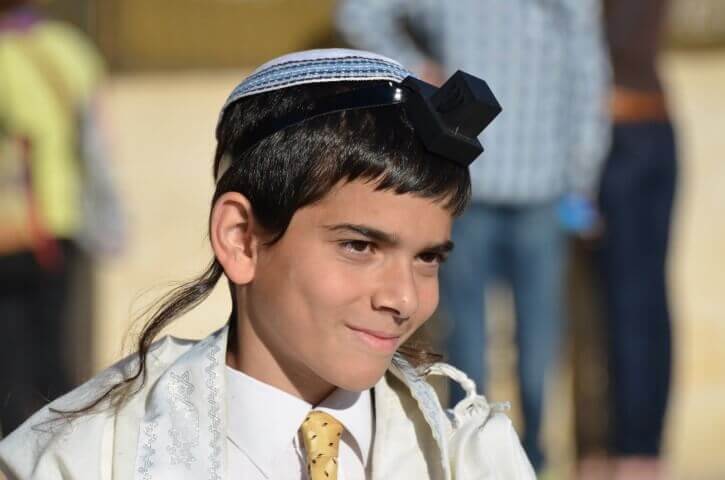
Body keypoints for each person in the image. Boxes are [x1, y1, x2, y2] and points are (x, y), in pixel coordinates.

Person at [0, 49, 535, 479]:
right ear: (241, 239)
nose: (403, 298)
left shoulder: (471, 460)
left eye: (428, 258)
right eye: (359, 246)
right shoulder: (82, 460)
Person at [336, 0, 611, 471]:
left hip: (540, 191)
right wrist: (414, 71)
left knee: (533, 346)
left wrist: (580, 180)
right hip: (469, 192)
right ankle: (474, 459)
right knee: (470, 344)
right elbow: (359, 12)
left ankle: (522, 460)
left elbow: (587, 71)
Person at [0, 0, 121, 436]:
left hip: (15, 226)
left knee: (10, 351)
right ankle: (61, 442)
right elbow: (98, 135)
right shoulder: (69, 46)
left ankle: (18, 447)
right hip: (68, 218)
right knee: (59, 344)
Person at [590, 1, 678, 478]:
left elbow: (620, 43)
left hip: (627, 134)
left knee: (634, 303)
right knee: (629, 303)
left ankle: (636, 453)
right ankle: (629, 450)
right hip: (635, 129)